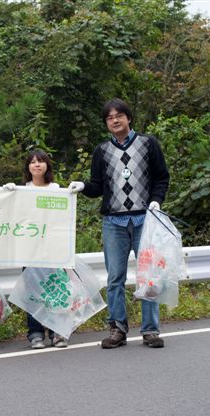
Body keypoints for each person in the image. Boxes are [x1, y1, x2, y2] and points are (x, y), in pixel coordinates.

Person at [68, 98, 170, 349]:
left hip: (145, 218)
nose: (114, 120)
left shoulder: (148, 144)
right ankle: (117, 329)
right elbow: (97, 186)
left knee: (148, 276)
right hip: (114, 221)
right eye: (109, 118)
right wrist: (83, 186)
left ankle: (150, 330)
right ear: (106, 123)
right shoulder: (101, 151)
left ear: (128, 118)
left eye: (119, 116)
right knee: (115, 277)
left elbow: (162, 177)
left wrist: (156, 201)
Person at [4, 150, 70, 349]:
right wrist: (8, 193)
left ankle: (58, 332)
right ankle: (35, 334)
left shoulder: (57, 189)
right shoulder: (22, 190)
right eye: (32, 162)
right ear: (28, 167)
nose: (37, 165)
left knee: (56, 289)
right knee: (33, 290)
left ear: (47, 165)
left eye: (41, 161)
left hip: (53, 248)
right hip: (30, 249)